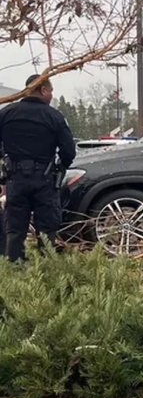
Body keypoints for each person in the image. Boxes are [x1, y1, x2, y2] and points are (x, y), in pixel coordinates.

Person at [0, 74, 76, 261]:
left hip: (15, 179)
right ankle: (46, 273)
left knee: (15, 230)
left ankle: (15, 272)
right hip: (45, 179)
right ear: (43, 90)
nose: (51, 95)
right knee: (46, 230)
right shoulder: (54, 116)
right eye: (50, 91)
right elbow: (68, 151)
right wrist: (60, 168)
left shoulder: (7, 113)